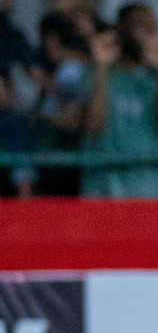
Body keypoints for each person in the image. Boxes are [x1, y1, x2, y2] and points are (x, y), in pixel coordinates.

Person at [81, 3, 158, 199]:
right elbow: (91, 127)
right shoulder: (97, 72)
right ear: (121, 28)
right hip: (103, 192)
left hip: (150, 191)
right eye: (139, 23)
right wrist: (102, 68)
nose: (147, 31)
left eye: (152, 25)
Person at [33, 13, 92, 196]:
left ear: (53, 41)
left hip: (66, 158)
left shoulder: (70, 70)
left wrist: (38, 116)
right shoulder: (74, 68)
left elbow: (72, 119)